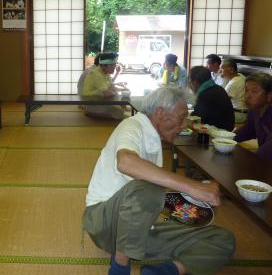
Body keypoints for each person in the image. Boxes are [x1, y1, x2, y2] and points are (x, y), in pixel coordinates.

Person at [83, 87, 235, 275]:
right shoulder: (132, 126)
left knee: (222, 239)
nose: (184, 125)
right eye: (181, 118)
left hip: (137, 230)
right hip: (104, 222)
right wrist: (191, 186)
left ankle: (166, 271)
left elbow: (150, 200)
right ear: (160, 113)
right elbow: (126, 162)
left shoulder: (154, 140)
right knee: (148, 188)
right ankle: (119, 268)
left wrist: (189, 200)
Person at [234, 72, 272, 161]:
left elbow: (267, 151)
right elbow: (248, 130)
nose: (247, 96)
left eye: (254, 91)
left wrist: (255, 159)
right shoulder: (254, 109)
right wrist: (227, 138)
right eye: (246, 90)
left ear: (270, 95)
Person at [81, 52, 127, 120]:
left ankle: (96, 112)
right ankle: (90, 112)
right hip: (92, 102)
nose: (115, 67)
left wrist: (122, 90)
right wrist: (118, 94)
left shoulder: (105, 72)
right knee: (119, 112)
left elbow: (111, 86)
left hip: (100, 99)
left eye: (115, 64)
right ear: (104, 66)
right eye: (112, 65)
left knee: (123, 108)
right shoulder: (96, 75)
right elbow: (107, 93)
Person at [189, 66, 235, 131]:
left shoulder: (204, 94)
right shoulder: (218, 88)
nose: (189, 84)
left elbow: (196, 118)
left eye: (190, 80)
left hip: (218, 132)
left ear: (195, 82)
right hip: (227, 128)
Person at [221, 59, 247, 123]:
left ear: (231, 70)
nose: (220, 72)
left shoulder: (233, 83)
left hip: (237, 115)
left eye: (222, 69)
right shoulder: (241, 76)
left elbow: (222, 102)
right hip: (244, 113)